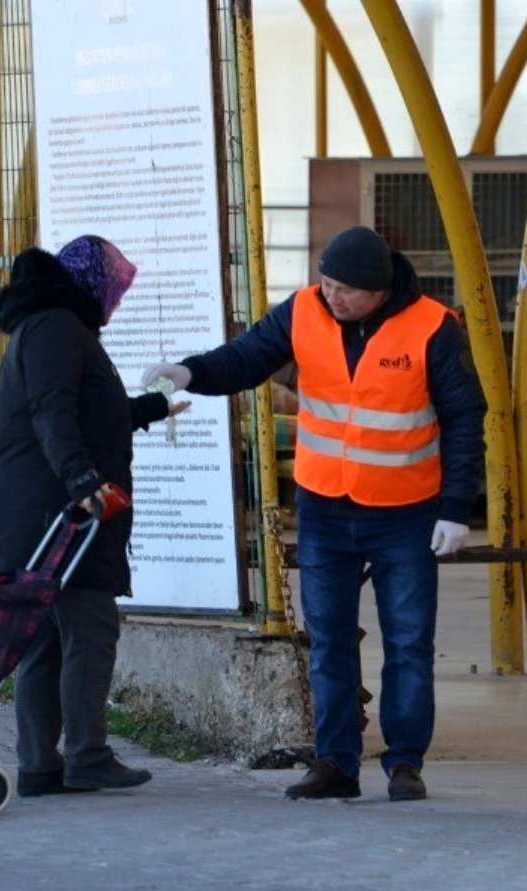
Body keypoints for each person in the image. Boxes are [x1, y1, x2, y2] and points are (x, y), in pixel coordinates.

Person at [143, 225, 486, 802]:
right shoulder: (303, 310)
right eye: (325, 282)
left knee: (408, 642)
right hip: (325, 506)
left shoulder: (432, 326)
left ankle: (405, 763)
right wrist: (190, 372)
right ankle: (335, 764)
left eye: (345, 289)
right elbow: (248, 357)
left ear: (379, 290)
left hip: (405, 511)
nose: (332, 296)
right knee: (327, 640)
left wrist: (455, 509)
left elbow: (463, 418)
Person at [0, 234, 187, 797]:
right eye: (115, 292)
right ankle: (87, 754)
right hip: (59, 512)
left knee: (45, 638)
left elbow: (86, 408)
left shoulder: (50, 326)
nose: (115, 304)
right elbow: (52, 409)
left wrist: (151, 408)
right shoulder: (56, 327)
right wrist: (82, 481)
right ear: (91, 285)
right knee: (89, 628)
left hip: (34, 508)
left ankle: (40, 764)